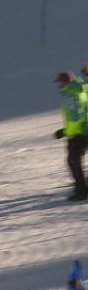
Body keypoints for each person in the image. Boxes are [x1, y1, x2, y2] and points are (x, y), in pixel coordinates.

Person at [54, 71, 88, 201]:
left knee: (73, 162)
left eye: (62, 82)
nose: (60, 85)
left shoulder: (71, 95)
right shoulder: (81, 91)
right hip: (84, 130)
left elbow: (75, 117)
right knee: (75, 161)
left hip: (78, 133)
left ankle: (81, 192)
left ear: (68, 82)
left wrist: (65, 132)